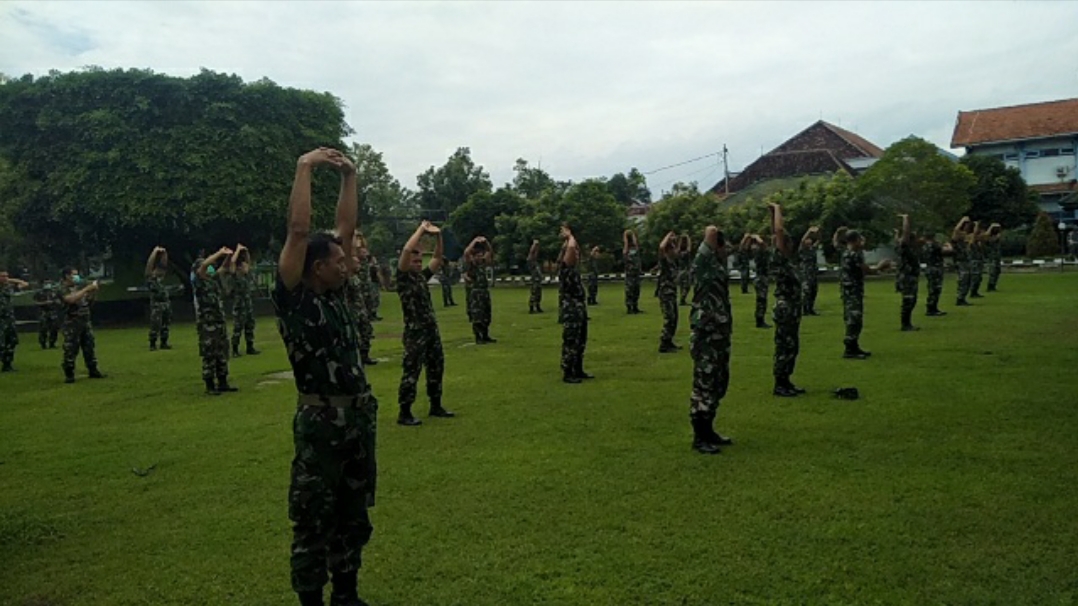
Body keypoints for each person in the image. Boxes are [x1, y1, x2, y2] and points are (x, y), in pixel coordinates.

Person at [272, 148, 377, 606]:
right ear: (317, 267)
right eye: (338, 260)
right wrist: (305, 168)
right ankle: (312, 600)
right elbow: (298, 231)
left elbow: (347, 230)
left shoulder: (337, 294)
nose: (347, 262)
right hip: (320, 425)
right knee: (314, 518)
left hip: (356, 422)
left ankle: (347, 596)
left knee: (353, 516)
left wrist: (350, 177)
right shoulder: (296, 298)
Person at [396, 221, 455, 426]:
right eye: (415, 257)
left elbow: (437, 258)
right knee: (412, 370)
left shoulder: (421, 278)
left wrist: (438, 236)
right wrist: (421, 230)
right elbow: (406, 250)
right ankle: (404, 411)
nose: (418, 260)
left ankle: (435, 404)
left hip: (431, 330)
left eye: (420, 257)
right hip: (415, 332)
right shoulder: (403, 278)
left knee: (436, 366)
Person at [687, 224, 734, 455]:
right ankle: (700, 436)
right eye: (724, 247)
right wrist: (712, 237)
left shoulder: (718, 266)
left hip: (720, 333)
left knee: (718, 382)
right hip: (706, 334)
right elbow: (709, 233)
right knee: (704, 383)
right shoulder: (704, 265)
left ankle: (709, 430)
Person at [835, 227, 891, 359]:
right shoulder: (853, 254)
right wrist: (880, 266)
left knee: (854, 318)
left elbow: (836, 243)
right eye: (860, 239)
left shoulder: (846, 252)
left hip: (851, 290)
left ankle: (854, 346)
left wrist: (837, 233)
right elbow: (867, 270)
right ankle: (850, 349)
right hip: (852, 291)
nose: (863, 241)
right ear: (855, 241)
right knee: (854, 318)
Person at [768, 204, 805, 397]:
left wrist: (772, 214)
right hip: (785, 307)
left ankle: (786, 381)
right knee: (784, 346)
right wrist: (777, 209)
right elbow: (778, 231)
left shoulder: (789, 262)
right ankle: (780, 384)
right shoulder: (780, 259)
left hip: (792, 308)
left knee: (791, 346)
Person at [194, 247, 237, 395]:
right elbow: (204, 266)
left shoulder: (212, 282)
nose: (210, 269)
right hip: (207, 324)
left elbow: (224, 268)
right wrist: (219, 253)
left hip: (218, 322)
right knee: (209, 353)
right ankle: (210, 384)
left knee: (221, 352)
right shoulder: (200, 282)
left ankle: (223, 381)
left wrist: (229, 256)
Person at [58, 267, 106, 382]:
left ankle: (93, 369)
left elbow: (88, 302)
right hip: (71, 322)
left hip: (85, 321)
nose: (77, 277)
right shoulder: (62, 288)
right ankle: (69, 373)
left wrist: (92, 292)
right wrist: (86, 289)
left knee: (89, 346)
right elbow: (70, 300)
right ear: (67, 276)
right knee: (71, 348)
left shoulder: (79, 288)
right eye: (74, 275)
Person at [559, 224, 592, 383]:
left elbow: (574, 248)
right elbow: (571, 248)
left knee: (581, 339)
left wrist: (572, 240)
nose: (576, 254)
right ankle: (568, 372)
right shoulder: (566, 267)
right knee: (571, 340)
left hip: (579, 306)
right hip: (571, 307)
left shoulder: (573, 267)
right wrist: (569, 236)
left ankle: (578, 369)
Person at [345, 239, 378, 367]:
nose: (359, 263)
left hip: (361, 309)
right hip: (352, 310)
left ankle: (365, 356)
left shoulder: (358, 277)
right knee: (355, 335)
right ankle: (356, 358)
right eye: (356, 262)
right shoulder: (347, 278)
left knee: (367, 331)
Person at [464, 235, 496, 344]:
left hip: (484, 291)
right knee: (477, 316)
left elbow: (490, 252)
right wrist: (475, 241)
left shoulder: (482, 264)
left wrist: (486, 242)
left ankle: (486, 335)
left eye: (481, 255)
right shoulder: (471, 264)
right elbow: (466, 253)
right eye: (477, 255)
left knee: (487, 315)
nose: (480, 257)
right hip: (475, 292)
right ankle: (478, 337)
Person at [230, 245, 260, 357]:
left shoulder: (247, 277)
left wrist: (246, 251)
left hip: (248, 305)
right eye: (244, 266)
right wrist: (237, 250)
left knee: (250, 326)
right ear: (240, 268)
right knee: (238, 328)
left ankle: (250, 347)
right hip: (239, 307)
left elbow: (249, 261)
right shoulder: (236, 277)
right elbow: (233, 262)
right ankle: (235, 349)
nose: (247, 267)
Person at [895, 215, 921, 332]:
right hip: (907, 277)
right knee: (908, 300)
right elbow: (905, 235)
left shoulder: (906, 248)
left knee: (912, 300)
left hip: (910, 276)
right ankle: (905, 324)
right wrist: (906, 220)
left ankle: (907, 323)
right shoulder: (905, 247)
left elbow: (900, 237)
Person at [144, 246, 174, 351]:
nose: (160, 271)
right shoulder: (150, 279)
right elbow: (149, 267)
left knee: (165, 324)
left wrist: (165, 253)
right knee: (155, 325)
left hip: (166, 303)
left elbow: (164, 265)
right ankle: (152, 344)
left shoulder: (161, 279)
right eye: (157, 270)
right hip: (157, 305)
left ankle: (164, 342)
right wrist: (154, 252)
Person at [657, 231, 682, 353]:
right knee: (670, 318)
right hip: (665, 293)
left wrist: (674, 241)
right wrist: (668, 235)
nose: (675, 251)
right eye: (672, 249)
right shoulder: (665, 262)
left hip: (672, 292)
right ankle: (664, 344)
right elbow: (661, 247)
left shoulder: (673, 262)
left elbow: (678, 251)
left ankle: (669, 341)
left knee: (674, 318)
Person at [1, 272, 30, 371]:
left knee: (11, 341)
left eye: (6, 276)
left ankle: (7, 364)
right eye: (2, 276)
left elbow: (25, 284)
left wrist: (10, 280)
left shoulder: (8, 288)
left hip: (9, 319)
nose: (5, 278)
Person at [922, 231, 949, 317]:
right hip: (936, 268)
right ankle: (931, 308)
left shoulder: (924, 246)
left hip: (929, 267)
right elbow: (947, 251)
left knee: (932, 288)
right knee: (936, 289)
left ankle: (932, 307)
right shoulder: (934, 245)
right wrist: (947, 244)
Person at [951, 216, 973, 306]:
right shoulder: (957, 237)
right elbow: (955, 230)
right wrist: (962, 221)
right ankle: (960, 298)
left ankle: (963, 297)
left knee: (967, 279)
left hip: (966, 260)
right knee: (963, 279)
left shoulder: (965, 236)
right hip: (960, 260)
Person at [34, 277, 61, 350]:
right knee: (43, 329)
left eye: (49, 283)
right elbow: (36, 302)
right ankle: (43, 344)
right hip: (43, 312)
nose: (48, 284)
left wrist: (57, 302)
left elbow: (60, 300)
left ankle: (52, 343)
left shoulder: (55, 292)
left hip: (53, 312)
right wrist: (44, 303)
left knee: (54, 328)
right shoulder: (39, 293)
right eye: (46, 283)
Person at [799, 227, 821, 315]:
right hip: (806, 272)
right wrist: (809, 231)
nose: (809, 240)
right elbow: (802, 240)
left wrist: (818, 232)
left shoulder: (813, 249)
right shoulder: (803, 249)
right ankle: (805, 309)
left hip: (813, 272)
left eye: (810, 239)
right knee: (806, 291)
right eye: (807, 239)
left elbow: (819, 239)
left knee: (813, 291)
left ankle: (811, 308)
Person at [752, 234, 772, 329]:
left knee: (762, 300)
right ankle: (759, 321)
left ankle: (760, 319)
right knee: (761, 300)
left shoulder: (761, 252)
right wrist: (757, 237)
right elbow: (762, 244)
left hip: (762, 277)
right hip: (761, 278)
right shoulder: (760, 251)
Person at [623, 229, 643, 314]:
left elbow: (637, 247)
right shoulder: (626, 249)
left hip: (636, 273)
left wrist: (634, 237)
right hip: (630, 274)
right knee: (630, 291)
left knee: (636, 290)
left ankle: (635, 306)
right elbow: (625, 253)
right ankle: (629, 308)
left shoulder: (635, 248)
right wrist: (626, 241)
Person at [968, 221, 986, 299]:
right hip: (973, 259)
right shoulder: (970, 237)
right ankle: (972, 291)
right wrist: (976, 225)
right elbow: (973, 237)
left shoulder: (979, 240)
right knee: (975, 276)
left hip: (979, 259)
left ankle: (975, 291)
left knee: (979, 277)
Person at [527, 239, 544, 313]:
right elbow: (531, 254)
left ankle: (537, 306)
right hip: (535, 281)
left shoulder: (535, 263)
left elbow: (535, 254)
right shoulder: (531, 262)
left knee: (538, 293)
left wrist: (537, 248)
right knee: (534, 293)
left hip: (538, 281)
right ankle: (531, 308)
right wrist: (534, 245)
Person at [365, 254, 383, 321]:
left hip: (373, 283)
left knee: (374, 299)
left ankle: (373, 314)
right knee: (375, 299)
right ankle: (372, 314)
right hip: (373, 283)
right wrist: (381, 282)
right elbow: (378, 275)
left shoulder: (369, 267)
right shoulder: (373, 267)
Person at [986, 223, 1003, 292]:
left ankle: (993, 285)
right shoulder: (990, 238)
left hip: (997, 256)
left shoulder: (997, 237)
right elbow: (988, 238)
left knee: (997, 271)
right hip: (992, 256)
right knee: (993, 271)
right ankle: (990, 285)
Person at [677, 235, 693, 306]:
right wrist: (689, 241)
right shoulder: (686, 252)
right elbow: (689, 249)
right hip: (686, 270)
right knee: (687, 286)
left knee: (682, 286)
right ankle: (682, 299)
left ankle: (682, 300)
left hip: (679, 270)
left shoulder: (678, 252)